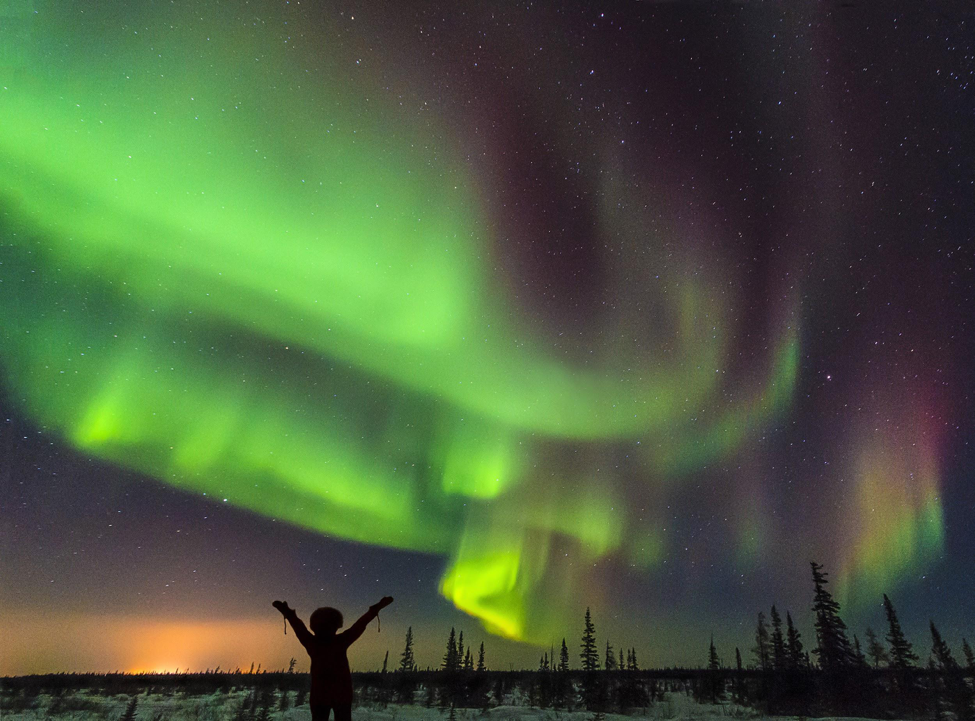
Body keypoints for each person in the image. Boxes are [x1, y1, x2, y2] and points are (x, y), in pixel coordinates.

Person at [273, 596, 393, 721]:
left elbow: (299, 627)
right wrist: (374, 610)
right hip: (341, 694)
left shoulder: (312, 643)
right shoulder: (341, 641)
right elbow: (360, 625)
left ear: (314, 626)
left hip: (320, 694)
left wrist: (288, 614)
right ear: (336, 625)